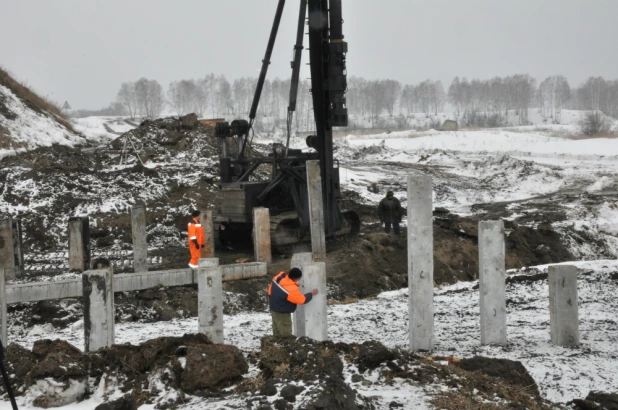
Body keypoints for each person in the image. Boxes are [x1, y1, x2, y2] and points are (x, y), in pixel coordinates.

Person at [267, 268, 318, 336]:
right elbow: (302, 300)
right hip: (282, 312)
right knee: (286, 334)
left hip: (274, 308)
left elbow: (270, 291)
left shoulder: (279, 276)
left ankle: (277, 345)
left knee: (277, 332)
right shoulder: (291, 288)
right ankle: (285, 346)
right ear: (296, 278)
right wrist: (311, 293)